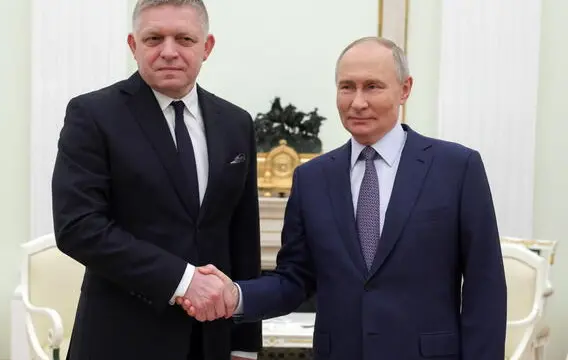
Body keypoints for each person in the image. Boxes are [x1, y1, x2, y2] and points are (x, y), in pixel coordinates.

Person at [179, 37, 508, 360]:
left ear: (405, 89)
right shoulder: (312, 178)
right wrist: (235, 295)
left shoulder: (456, 168)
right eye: (347, 87)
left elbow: (485, 287)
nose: (358, 102)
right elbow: (294, 278)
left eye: (373, 87)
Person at [50, 0, 262, 359]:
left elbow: (243, 237)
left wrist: (244, 345)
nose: (169, 52)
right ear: (133, 46)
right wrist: (182, 281)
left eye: (184, 39)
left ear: (206, 47)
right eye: (153, 39)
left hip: (210, 341)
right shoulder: (92, 116)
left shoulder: (236, 123)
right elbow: (78, 227)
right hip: (120, 339)